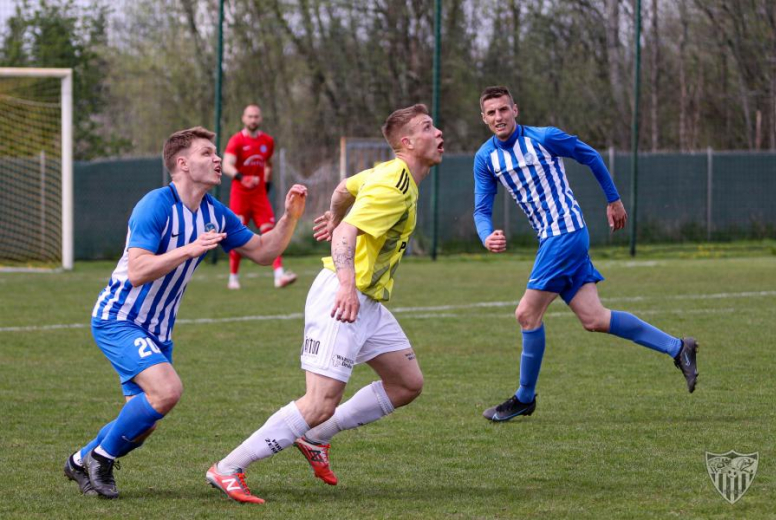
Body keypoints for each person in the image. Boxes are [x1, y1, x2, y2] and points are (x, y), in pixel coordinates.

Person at [206, 104, 444, 504]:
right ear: (407, 143)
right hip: (343, 296)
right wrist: (347, 282)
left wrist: (334, 216)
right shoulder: (394, 185)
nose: (438, 133)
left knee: (406, 383)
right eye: (427, 128)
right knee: (319, 403)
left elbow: (342, 190)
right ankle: (227, 468)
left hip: (366, 301)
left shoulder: (392, 173)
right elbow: (346, 237)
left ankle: (316, 438)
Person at [63, 126, 307, 499]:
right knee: (167, 391)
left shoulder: (214, 213)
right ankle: (101, 458)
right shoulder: (155, 204)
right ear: (182, 163)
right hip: (119, 317)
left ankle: (80, 461)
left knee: (144, 424)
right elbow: (138, 270)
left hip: (158, 329)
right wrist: (189, 249)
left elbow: (262, 251)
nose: (217, 160)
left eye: (215, 153)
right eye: (207, 153)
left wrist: (289, 217)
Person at [473, 86, 699, 423]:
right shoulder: (485, 158)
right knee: (595, 318)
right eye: (491, 113)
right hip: (555, 238)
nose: (498, 117)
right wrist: (485, 235)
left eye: (503, 110)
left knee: (526, 314)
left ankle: (524, 397)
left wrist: (614, 199)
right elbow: (481, 209)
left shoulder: (544, 138)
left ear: (515, 110)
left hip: (564, 234)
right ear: (484, 118)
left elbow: (589, 154)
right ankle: (678, 348)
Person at [223, 104, 297, 289]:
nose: (253, 120)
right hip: (240, 195)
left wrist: (267, 183)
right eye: (250, 116)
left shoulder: (267, 141)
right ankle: (233, 277)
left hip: (259, 196)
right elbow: (226, 165)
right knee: (237, 235)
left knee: (270, 231)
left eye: (256, 116)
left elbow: (268, 164)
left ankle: (279, 275)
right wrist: (242, 177)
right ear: (243, 118)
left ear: (260, 118)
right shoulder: (236, 141)